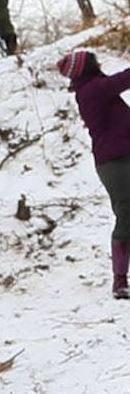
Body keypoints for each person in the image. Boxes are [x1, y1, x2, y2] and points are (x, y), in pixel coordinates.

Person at [59, 50, 130, 299]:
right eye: (94, 62)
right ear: (87, 69)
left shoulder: (94, 88)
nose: (99, 63)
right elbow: (124, 79)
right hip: (114, 163)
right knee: (126, 214)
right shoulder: (93, 90)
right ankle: (119, 280)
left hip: (121, 158)